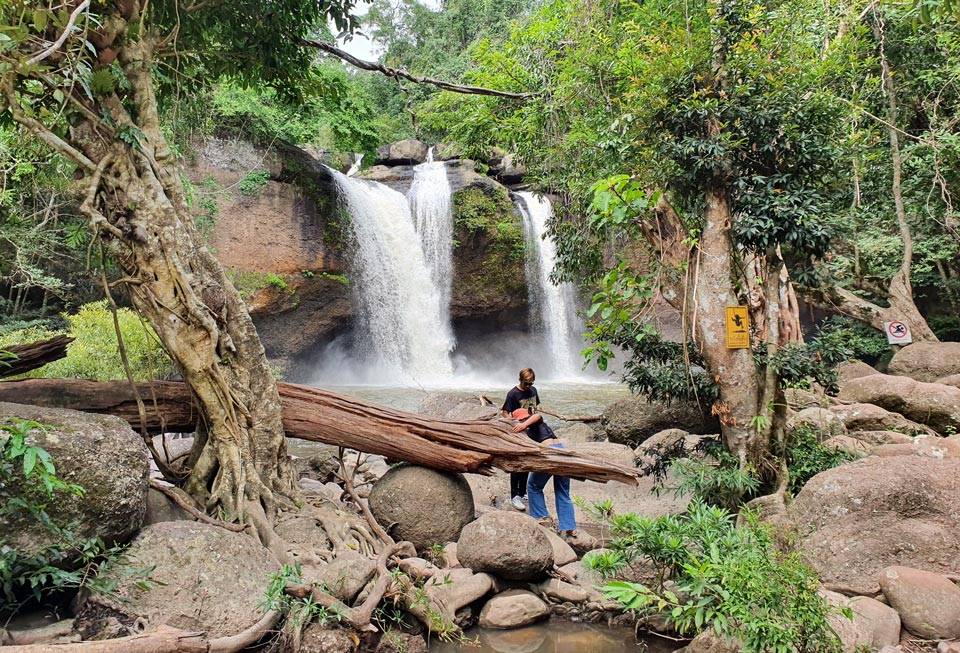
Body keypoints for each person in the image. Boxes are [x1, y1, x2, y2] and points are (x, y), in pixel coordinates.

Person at [510, 406, 577, 538]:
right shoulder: (533, 428)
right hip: (563, 451)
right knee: (563, 491)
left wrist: (523, 425)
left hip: (551, 453)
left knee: (534, 486)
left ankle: (541, 517)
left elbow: (537, 416)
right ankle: (570, 527)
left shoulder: (533, 422)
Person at [501, 368, 540, 511]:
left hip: (531, 431)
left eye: (531, 383)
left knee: (527, 463)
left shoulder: (534, 391)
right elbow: (504, 412)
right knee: (517, 464)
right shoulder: (513, 394)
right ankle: (514, 496)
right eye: (526, 383)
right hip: (518, 432)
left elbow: (535, 410)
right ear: (520, 380)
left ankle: (523, 493)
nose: (529, 386)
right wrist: (513, 423)